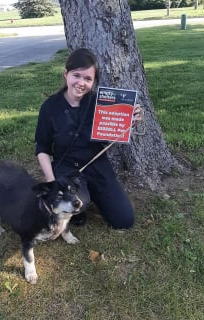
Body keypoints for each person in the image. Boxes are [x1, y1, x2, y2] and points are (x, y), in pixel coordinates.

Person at [34, 48, 142, 230]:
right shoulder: (50, 107)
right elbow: (42, 148)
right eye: (76, 75)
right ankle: (82, 203)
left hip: (97, 165)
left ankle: (87, 195)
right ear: (66, 74)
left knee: (124, 220)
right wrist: (52, 183)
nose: (81, 83)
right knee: (78, 205)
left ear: (93, 81)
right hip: (66, 167)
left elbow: (113, 129)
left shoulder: (101, 104)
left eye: (88, 79)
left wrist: (131, 119)